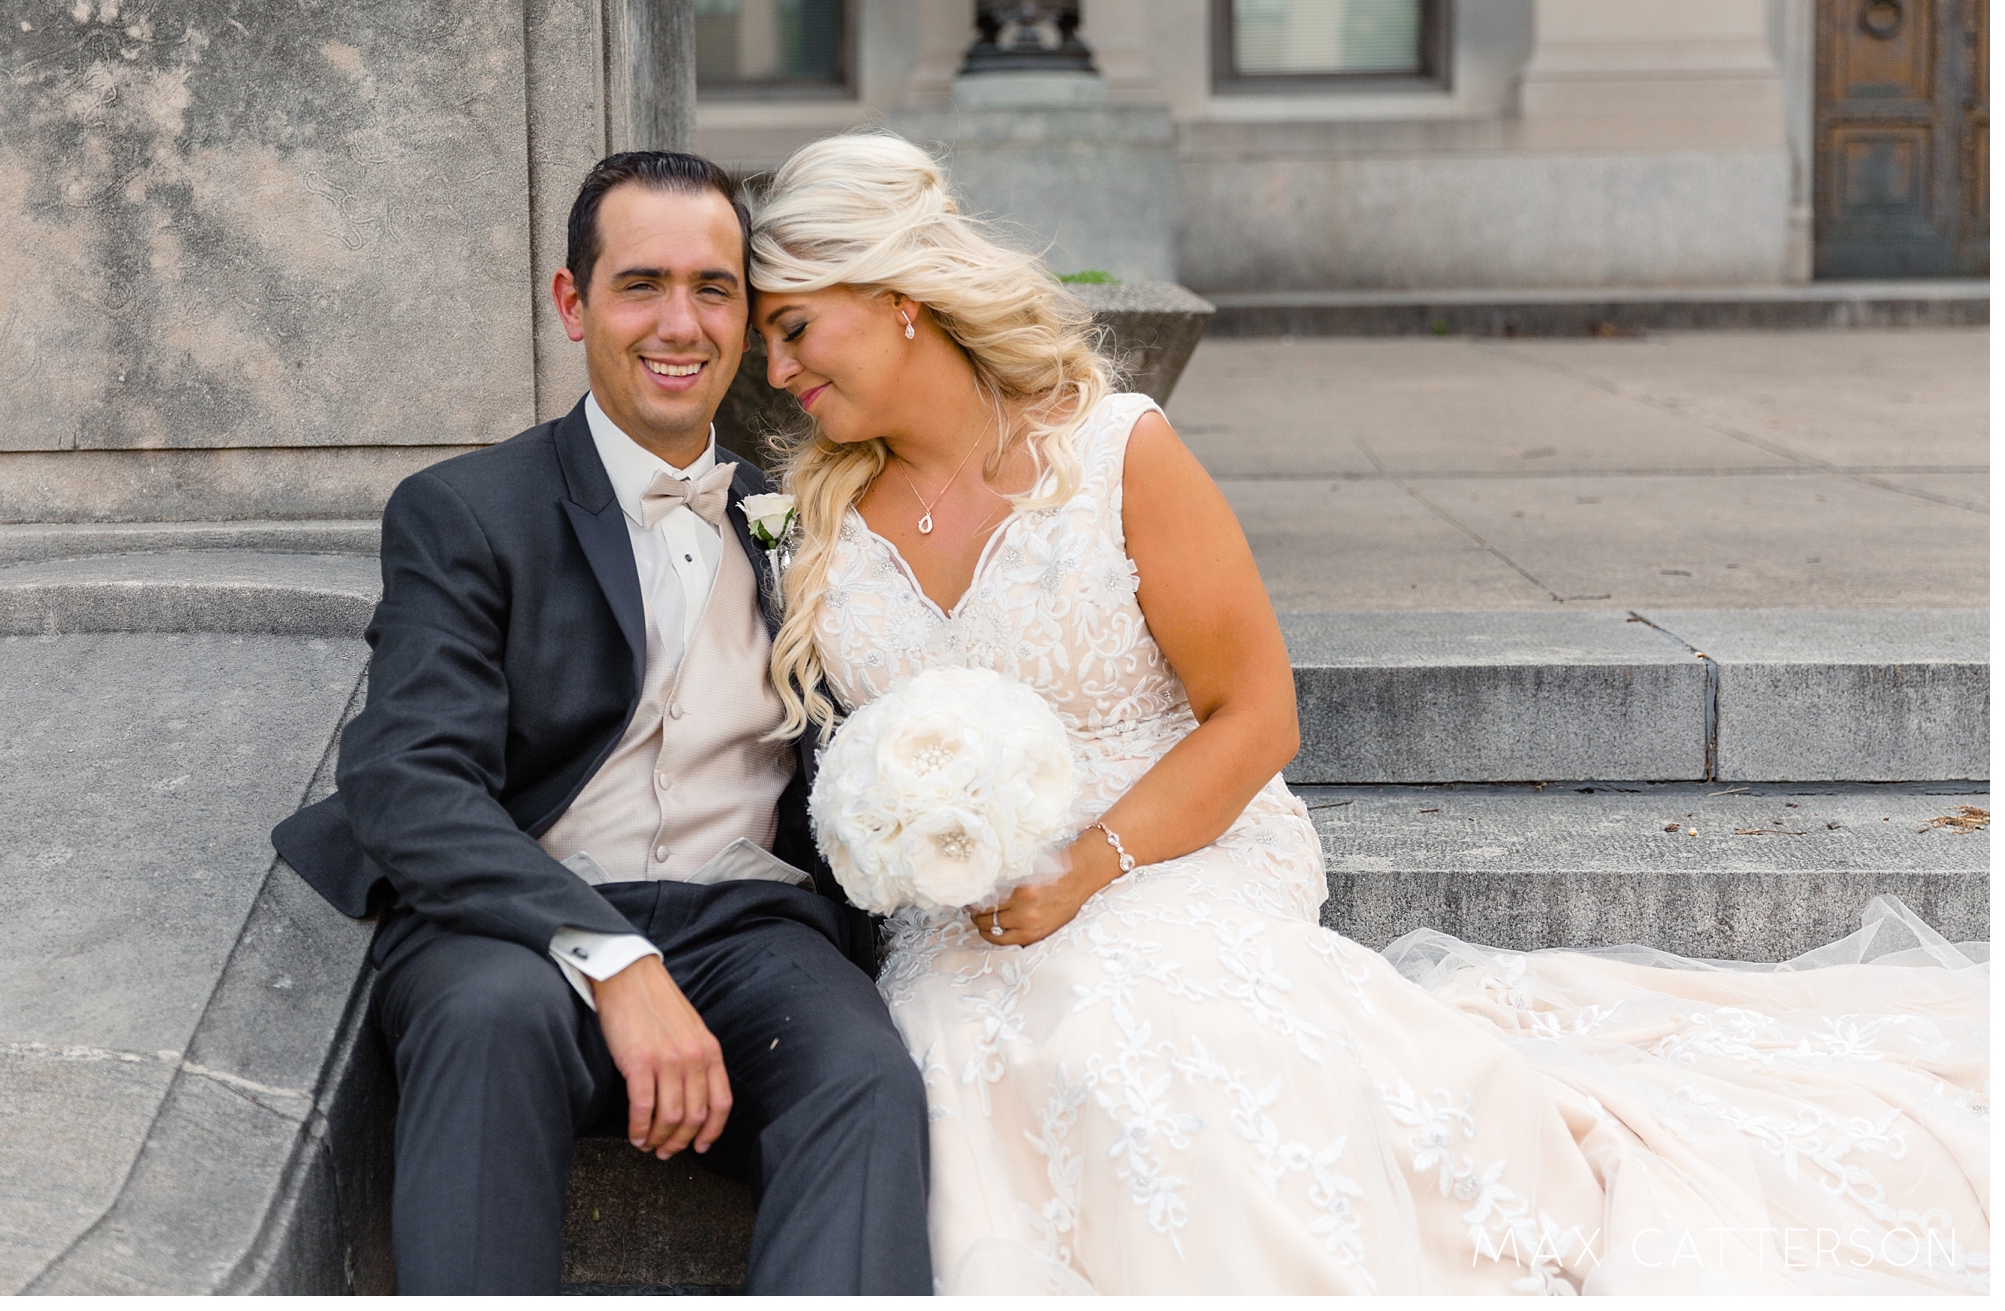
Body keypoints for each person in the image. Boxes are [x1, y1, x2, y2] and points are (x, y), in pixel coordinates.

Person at [744, 130, 1989, 1295]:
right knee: (969, 1064)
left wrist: (1085, 865)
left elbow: (1255, 715)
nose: (779, 371)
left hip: (1166, 855)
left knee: (1137, 1037)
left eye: (796, 329)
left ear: (898, 294)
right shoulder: (812, 520)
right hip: (961, 926)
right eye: (768, 344)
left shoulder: (1111, 451)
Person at [271, 150, 933, 1295]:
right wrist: (615, 959)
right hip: (517, 924)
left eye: (712, 289)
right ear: (573, 302)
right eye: (641, 285)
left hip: (752, 928)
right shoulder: (467, 511)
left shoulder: (809, 504)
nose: (680, 323)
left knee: (865, 1072)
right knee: (487, 1023)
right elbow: (409, 780)